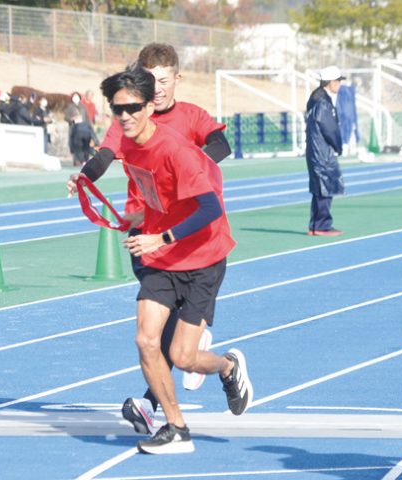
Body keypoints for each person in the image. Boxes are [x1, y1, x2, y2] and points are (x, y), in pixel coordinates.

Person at [66, 43, 231, 435]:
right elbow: (104, 156)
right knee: (150, 333)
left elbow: (219, 149)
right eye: (147, 80)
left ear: (176, 79)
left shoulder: (187, 123)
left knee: (179, 347)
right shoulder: (128, 120)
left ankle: (160, 392)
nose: (154, 89)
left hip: (189, 237)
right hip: (146, 233)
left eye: (161, 81)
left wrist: (184, 171)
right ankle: (162, 410)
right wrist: (85, 178)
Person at [98, 64, 252, 454]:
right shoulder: (129, 146)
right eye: (118, 109)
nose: (126, 116)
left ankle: (228, 367)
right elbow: (158, 195)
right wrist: (139, 219)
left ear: (151, 106)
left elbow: (210, 210)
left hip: (202, 257)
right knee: (146, 340)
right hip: (163, 259)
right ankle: (176, 427)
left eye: (133, 107)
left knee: (183, 356)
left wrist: (159, 237)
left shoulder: (176, 150)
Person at [305, 65, 345, 236]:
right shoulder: (322, 101)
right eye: (338, 81)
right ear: (330, 82)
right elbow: (329, 128)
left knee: (320, 189)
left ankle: (317, 225)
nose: (339, 85)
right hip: (321, 151)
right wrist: (338, 145)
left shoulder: (318, 98)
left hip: (316, 150)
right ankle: (321, 225)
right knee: (324, 188)